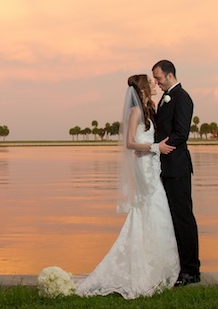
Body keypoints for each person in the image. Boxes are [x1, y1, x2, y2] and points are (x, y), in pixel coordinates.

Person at [76, 74, 180, 298]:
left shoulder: (146, 111)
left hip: (150, 165)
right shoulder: (135, 112)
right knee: (152, 208)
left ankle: (156, 266)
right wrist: (155, 147)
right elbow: (129, 143)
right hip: (144, 167)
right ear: (142, 88)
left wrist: (155, 150)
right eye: (150, 82)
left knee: (154, 211)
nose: (154, 84)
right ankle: (147, 269)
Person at [151, 59, 201, 286]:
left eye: (158, 78)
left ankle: (191, 270)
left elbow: (181, 133)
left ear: (169, 75)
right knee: (171, 219)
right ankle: (178, 267)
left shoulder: (182, 97)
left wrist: (158, 148)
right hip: (165, 168)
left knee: (183, 219)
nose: (156, 82)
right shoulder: (165, 98)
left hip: (177, 167)